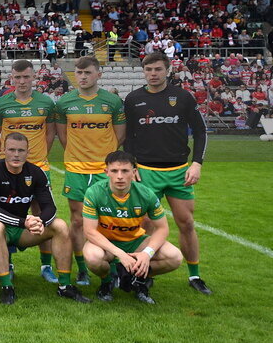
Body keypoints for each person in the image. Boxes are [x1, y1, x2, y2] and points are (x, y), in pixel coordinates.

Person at [123, 52, 211, 294]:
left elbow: (201, 131)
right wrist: (132, 166)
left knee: (186, 222)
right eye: (149, 69)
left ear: (168, 70)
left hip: (179, 171)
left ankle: (194, 276)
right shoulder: (133, 99)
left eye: (158, 69)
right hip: (146, 172)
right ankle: (143, 272)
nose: (153, 74)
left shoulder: (182, 97)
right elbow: (128, 137)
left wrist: (197, 163)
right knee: (147, 224)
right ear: (143, 71)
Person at [0, 133, 90, 305]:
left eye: (21, 150)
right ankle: (7, 288)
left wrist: (40, 222)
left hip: (24, 228)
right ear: (3, 150)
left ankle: (65, 286)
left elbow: (50, 207)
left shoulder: (35, 172)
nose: (16, 154)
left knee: (60, 225)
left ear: (28, 152)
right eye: (11, 150)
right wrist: (23, 222)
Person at [54, 55, 125, 285]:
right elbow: (63, 135)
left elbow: (119, 134)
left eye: (87, 73)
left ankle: (112, 266)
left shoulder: (112, 102)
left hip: (104, 170)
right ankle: (83, 267)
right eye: (79, 72)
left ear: (98, 75)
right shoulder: (65, 102)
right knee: (77, 220)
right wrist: (77, 154)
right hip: (76, 168)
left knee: (108, 219)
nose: (82, 77)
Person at [0, 59, 59, 283]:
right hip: (7, 168)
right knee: (6, 213)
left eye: (26, 77)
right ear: (11, 78)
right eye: (17, 77)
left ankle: (46, 266)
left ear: (34, 77)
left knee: (42, 217)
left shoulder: (45, 103)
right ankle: (7, 261)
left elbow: (49, 135)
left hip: (38, 167)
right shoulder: (0, 104)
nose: (22, 82)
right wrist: (9, 158)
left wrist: (36, 160)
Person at [82, 151, 183, 304]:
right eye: (114, 171)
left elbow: (162, 228)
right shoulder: (94, 192)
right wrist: (120, 255)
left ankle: (139, 280)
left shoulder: (146, 194)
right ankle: (107, 281)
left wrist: (147, 254)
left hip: (135, 241)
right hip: (106, 242)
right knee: (92, 257)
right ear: (106, 172)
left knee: (175, 257)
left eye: (125, 171)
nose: (120, 176)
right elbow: (89, 231)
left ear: (134, 172)